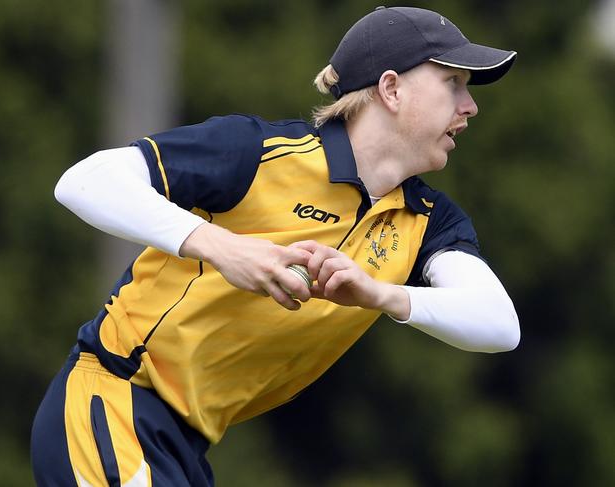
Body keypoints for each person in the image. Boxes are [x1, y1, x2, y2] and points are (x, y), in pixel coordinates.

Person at [31, 6, 520, 486]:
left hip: (185, 445)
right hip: (114, 401)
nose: (469, 105)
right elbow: (84, 181)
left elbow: (499, 323)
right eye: (452, 83)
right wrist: (226, 249)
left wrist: (379, 294)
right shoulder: (258, 151)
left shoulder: (428, 220)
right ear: (391, 89)